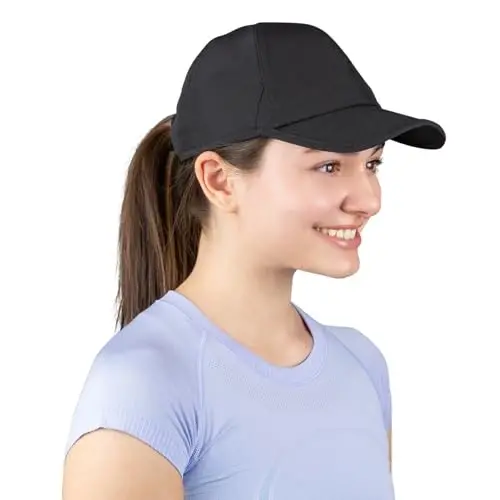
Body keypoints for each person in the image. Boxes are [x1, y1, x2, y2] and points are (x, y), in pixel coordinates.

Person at [62, 22, 445, 500]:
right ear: (219, 180)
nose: (369, 199)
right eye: (328, 166)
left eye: (372, 163)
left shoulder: (362, 366)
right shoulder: (143, 383)